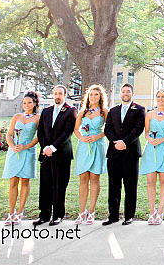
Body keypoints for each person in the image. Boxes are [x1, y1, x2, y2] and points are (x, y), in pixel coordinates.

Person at [103, 83, 146, 226]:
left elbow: (138, 129)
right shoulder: (113, 110)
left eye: (128, 91)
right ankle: (113, 215)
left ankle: (129, 216)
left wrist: (124, 142)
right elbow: (107, 129)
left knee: (130, 185)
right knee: (113, 185)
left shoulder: (139, 110)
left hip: (130, 152)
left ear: (132, 94)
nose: (125, 93)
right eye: (123, 91)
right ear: (120, 94)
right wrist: (116, 141)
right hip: (114, 152)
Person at [33, 85, 77, 227]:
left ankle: (58, 215)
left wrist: (53, 147)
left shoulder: (71, 111)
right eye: (55, 93)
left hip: (61, 154)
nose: (57, 96)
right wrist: (45, 147)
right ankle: (44, 215)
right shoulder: (46, 111)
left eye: (60, 94)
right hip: (46, 154)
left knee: (59, 186)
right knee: (45, 185)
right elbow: (40, 132)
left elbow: (67, 132)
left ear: (65, 95)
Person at [1, 91, 40, 224]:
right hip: (14, 152)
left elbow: (40, 137)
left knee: (24, 182)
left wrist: (26, 146)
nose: (26, 105)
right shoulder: (17, 116)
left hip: (28, 152)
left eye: (29, 103)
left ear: (34, 104)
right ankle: (10, 213)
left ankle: (20, 212)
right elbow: (9, 134)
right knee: (13, 182)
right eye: (24, 103)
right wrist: (13, 146)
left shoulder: (38, 118)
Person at [139, 89, 164, 224]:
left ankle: (160, 211)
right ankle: (152, 211)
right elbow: (146, 132)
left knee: (163, 180)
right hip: (152, 148)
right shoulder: (149, 114)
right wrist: (150, 139)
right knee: (150, 180)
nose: (160, 99)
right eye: (158, 96)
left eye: (163, 97)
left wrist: (162, 140)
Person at [72, 84, 109, 225]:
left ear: (100, 97)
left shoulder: (104, 111)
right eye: (91, 94)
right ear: (88, 96)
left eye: (96, 95)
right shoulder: (82, 112)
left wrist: (99, 136)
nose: (93, 97)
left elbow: (109, 129)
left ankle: (91, 211)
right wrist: (81, 137)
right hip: (84, 145)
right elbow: (76, 129)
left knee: (94, 177)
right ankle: (82, 211)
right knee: (83, 178)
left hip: (98, 144)